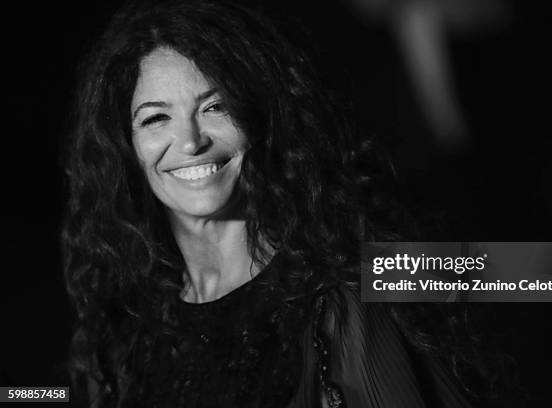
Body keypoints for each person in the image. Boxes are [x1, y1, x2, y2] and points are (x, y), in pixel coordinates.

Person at [62, 1, 483, 407]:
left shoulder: (343, 296)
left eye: (216, 106)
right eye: (156, 118)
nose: (191, 142)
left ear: (257, 116)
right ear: (124, 147)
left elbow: (535, 271)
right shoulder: (123, 334)